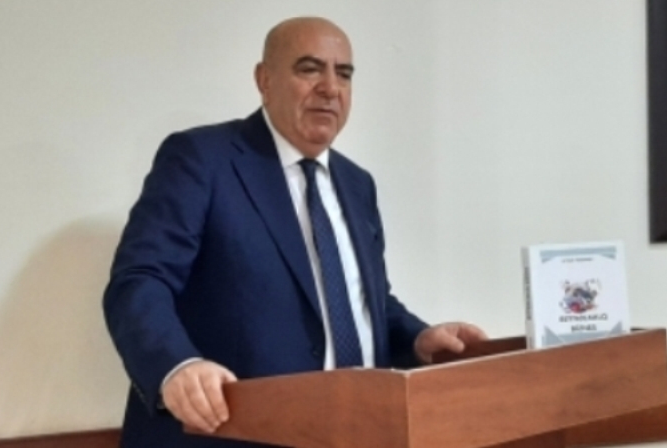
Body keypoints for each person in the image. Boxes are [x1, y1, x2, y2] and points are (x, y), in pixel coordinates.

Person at [103, 16, 487, 448]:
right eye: (309, 69)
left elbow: (365, 301)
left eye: (344, 74)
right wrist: (176, 365)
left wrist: (417, 337)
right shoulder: (202, 159)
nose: (330, 88)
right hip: (229, 434)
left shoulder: (357, 184)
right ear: (264, 80)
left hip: (358, 430)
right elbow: (140, 280)